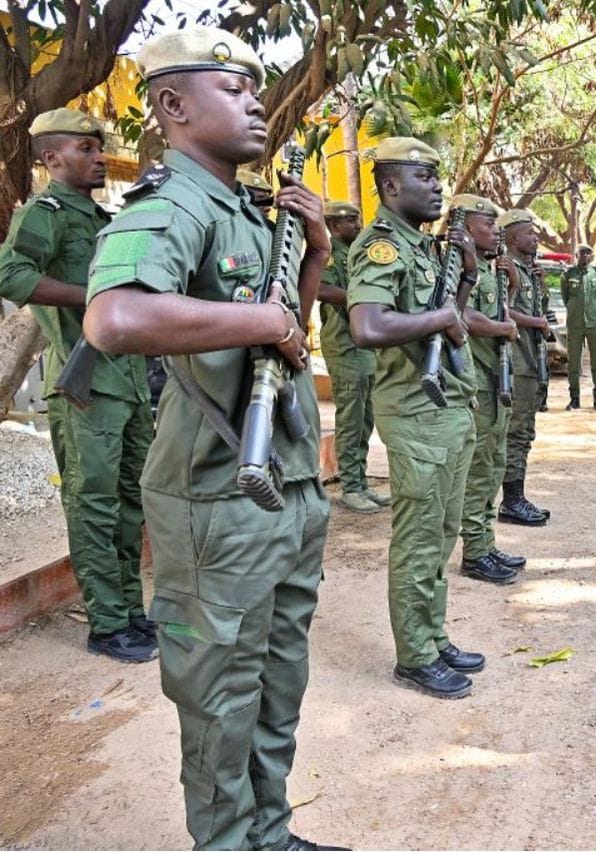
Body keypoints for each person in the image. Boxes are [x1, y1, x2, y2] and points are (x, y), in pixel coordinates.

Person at [83, 27, 343, 850]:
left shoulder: (243, 208)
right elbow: (115, 318)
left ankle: (269, 833)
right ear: (171, 105)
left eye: (254, 88)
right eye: (233, 89)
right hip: (216, 494)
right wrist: (264, 314)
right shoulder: (171, 204)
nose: (257, 101)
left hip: (285, 483)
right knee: (220, 700)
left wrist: (313, 256)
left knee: (276, 683)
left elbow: (284, 337)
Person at [0, 108, 156, 663]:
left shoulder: (101, 219)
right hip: (86, 384)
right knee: (93, 503)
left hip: (129, 380)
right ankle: (107, 622)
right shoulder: (44, 214)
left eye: (98, 149)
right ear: (50, 158)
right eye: (85, 149)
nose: (97, 158)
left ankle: (131, 610)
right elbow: (10, 274)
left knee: (132, 500)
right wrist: (90, 298)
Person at [346, 138, 487, 701]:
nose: (436, 187)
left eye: (437, 177)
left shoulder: (423, 247)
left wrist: (467, 272)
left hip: (447, 408)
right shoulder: (379, 247)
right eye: (424, 177)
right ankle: (415, 656)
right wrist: (439, 320)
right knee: (419, 538)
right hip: (416, 415)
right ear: (389, 186)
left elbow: (451, 303)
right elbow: (369, 327)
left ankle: (433, 634)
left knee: (443, 531)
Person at [455, 193, 523, 584]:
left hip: (497, 376)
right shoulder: (457, 267)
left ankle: (486, 543)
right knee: (479, 469)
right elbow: (461, 314)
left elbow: (499, 312)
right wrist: (501, 328)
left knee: (494, 465)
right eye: (489, 225)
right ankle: (475, 552)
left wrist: (510, 286)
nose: (496, 232)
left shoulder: (488, 266)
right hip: (476, 379)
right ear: (467, 227)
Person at [316, 200, 389, 514]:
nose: (358, 227)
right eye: (351, 222)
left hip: (365, 346)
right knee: (351, 418)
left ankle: (358, 480)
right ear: (334, 226)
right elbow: (320, 289)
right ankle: (351, 487)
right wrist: (360, 299)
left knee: (366, 418)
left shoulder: (358, 253)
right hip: (344, 345)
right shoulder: (328, 253)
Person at [498, 208, 553, 526]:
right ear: (515, 237)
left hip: (530, 359)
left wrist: (538, 287)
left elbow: (534, 310)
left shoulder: (526, 268)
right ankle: (511, 501)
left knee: (524, 433)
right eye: (530, 233)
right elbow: (503, 312)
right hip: (515, 362)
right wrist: (538, 322)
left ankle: (515, 497)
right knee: (516, 433)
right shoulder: (505, 268)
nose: (536, 238)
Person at [561, 244, 596, 410]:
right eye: (581, 253)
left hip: (594, 323)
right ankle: (574, 399)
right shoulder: (568, 274)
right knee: (573, 363)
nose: (584, 256)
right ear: (576, 255)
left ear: (592, 257)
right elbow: (565, 297)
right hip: (575, 324)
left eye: (588, 253)